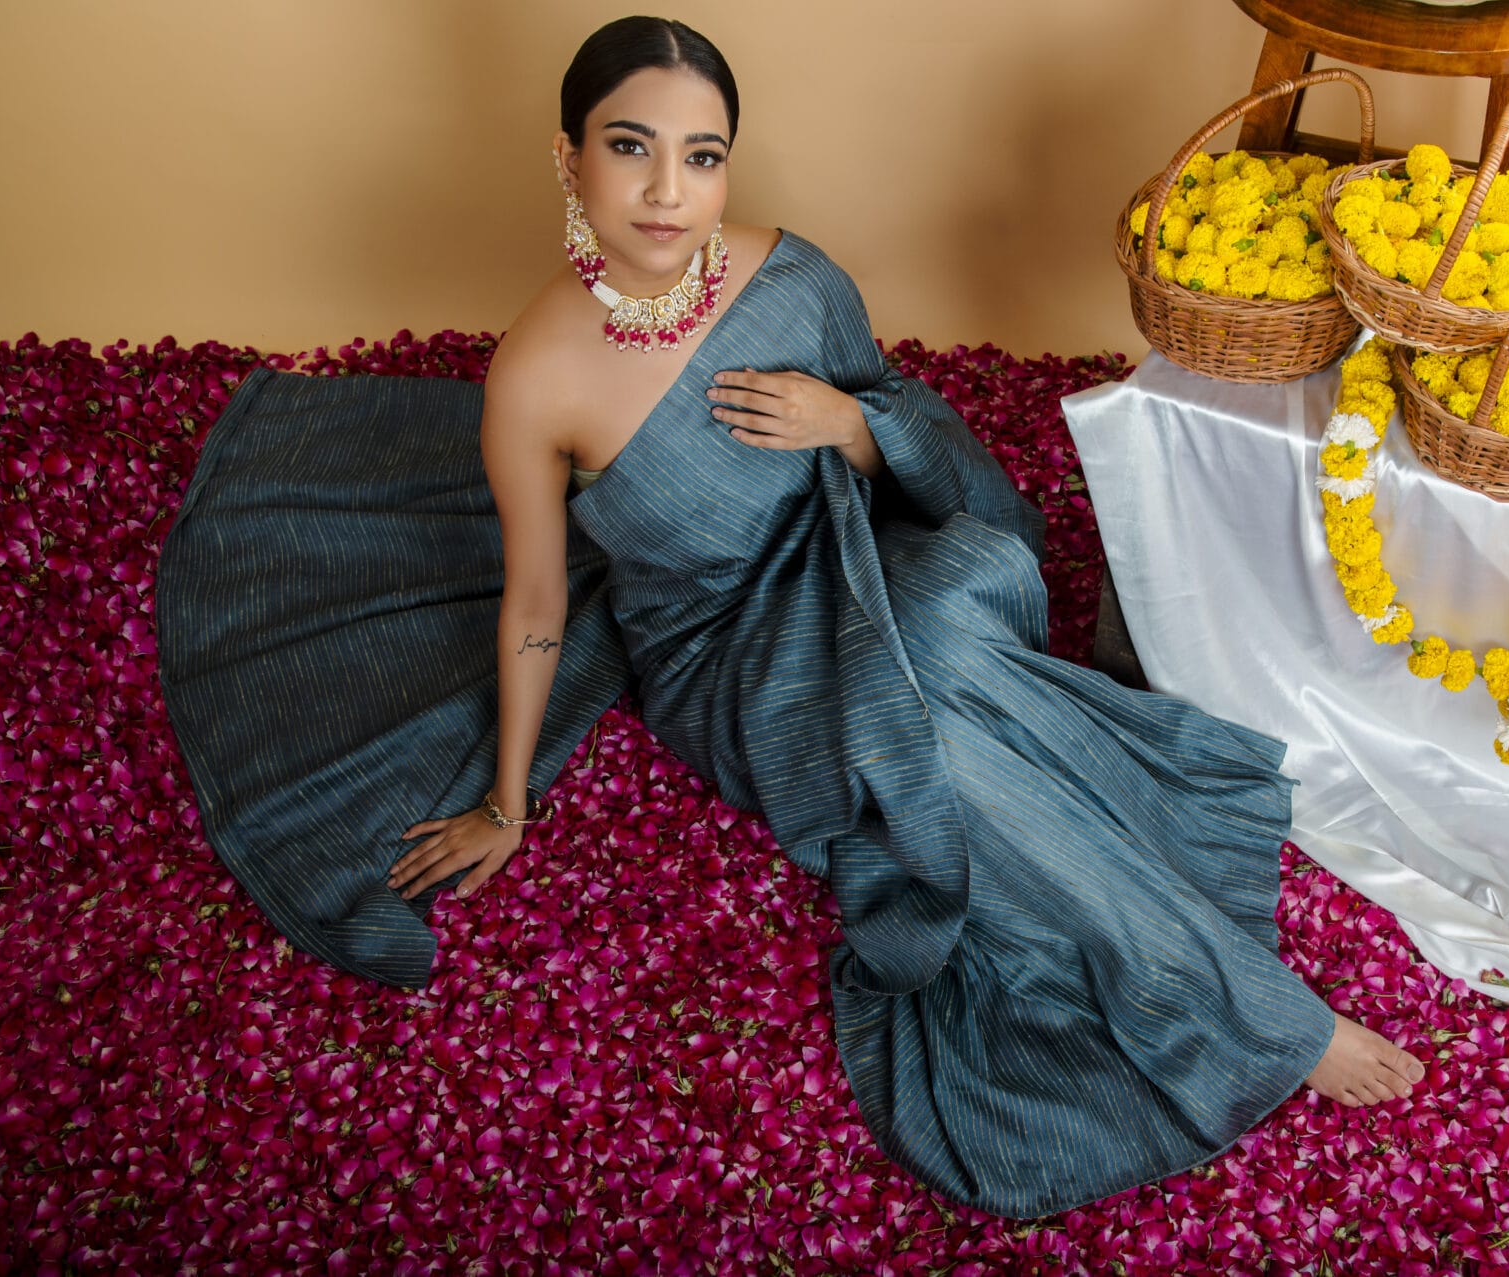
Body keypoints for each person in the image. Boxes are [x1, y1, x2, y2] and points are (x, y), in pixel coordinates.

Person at [157, 15, 1423, 1218]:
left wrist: (850, 425)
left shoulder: (791, 275)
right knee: (924, 723)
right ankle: (1248, 1008)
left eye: (702, 155)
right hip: (728, 652)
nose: (668, 190)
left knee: (941, 644)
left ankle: (1186, 956)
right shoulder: (533, 380)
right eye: (631, 146)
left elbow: (913, 434)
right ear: (568, 157)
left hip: (862, 549)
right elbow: (539, 597)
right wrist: (506, 794)